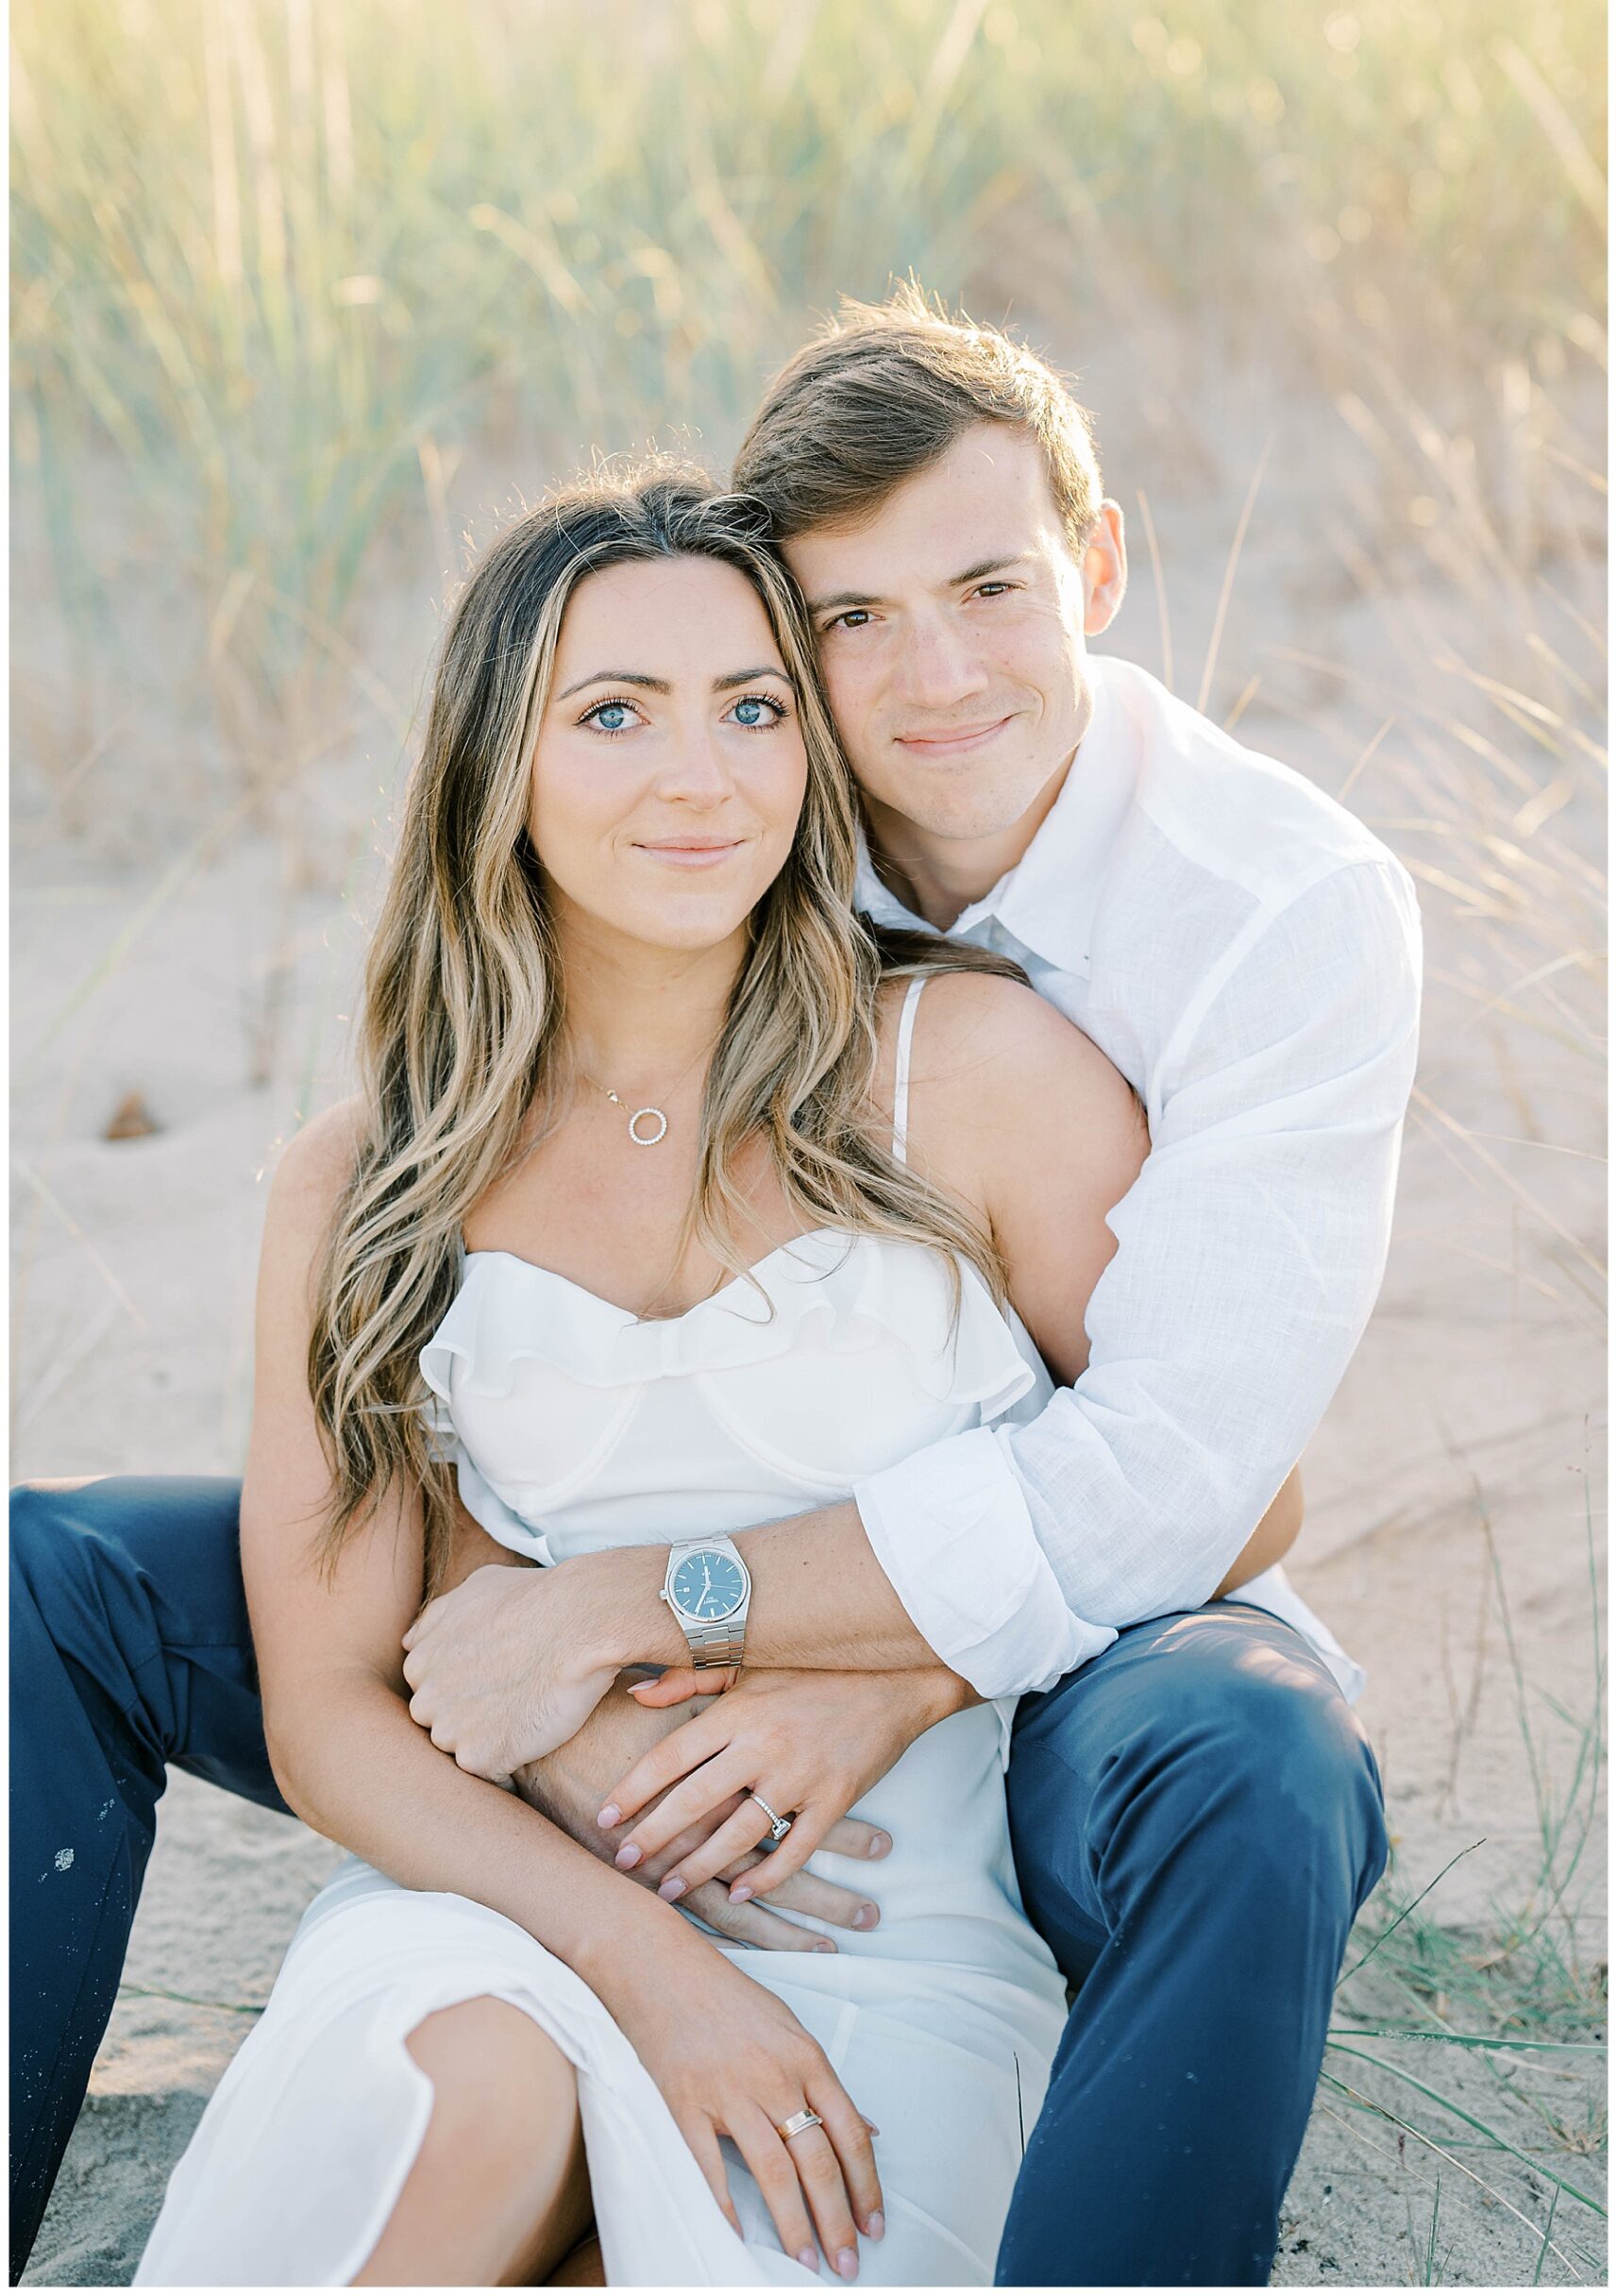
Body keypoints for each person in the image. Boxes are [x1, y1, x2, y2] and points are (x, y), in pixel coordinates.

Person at [9, 290, 1414, 2287]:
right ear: (498, 761)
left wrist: (837, 1657)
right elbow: (340, 1685)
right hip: (533, 1868)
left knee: (1239, 1776)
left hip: (923, 1834)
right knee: (436, 2068)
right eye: (615, 711)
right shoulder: (367, 1172)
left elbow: (1217, 1474)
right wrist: (618, 1887)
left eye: (746, 706)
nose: (702, 772)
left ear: (1091, 573)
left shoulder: (1060, 1023)